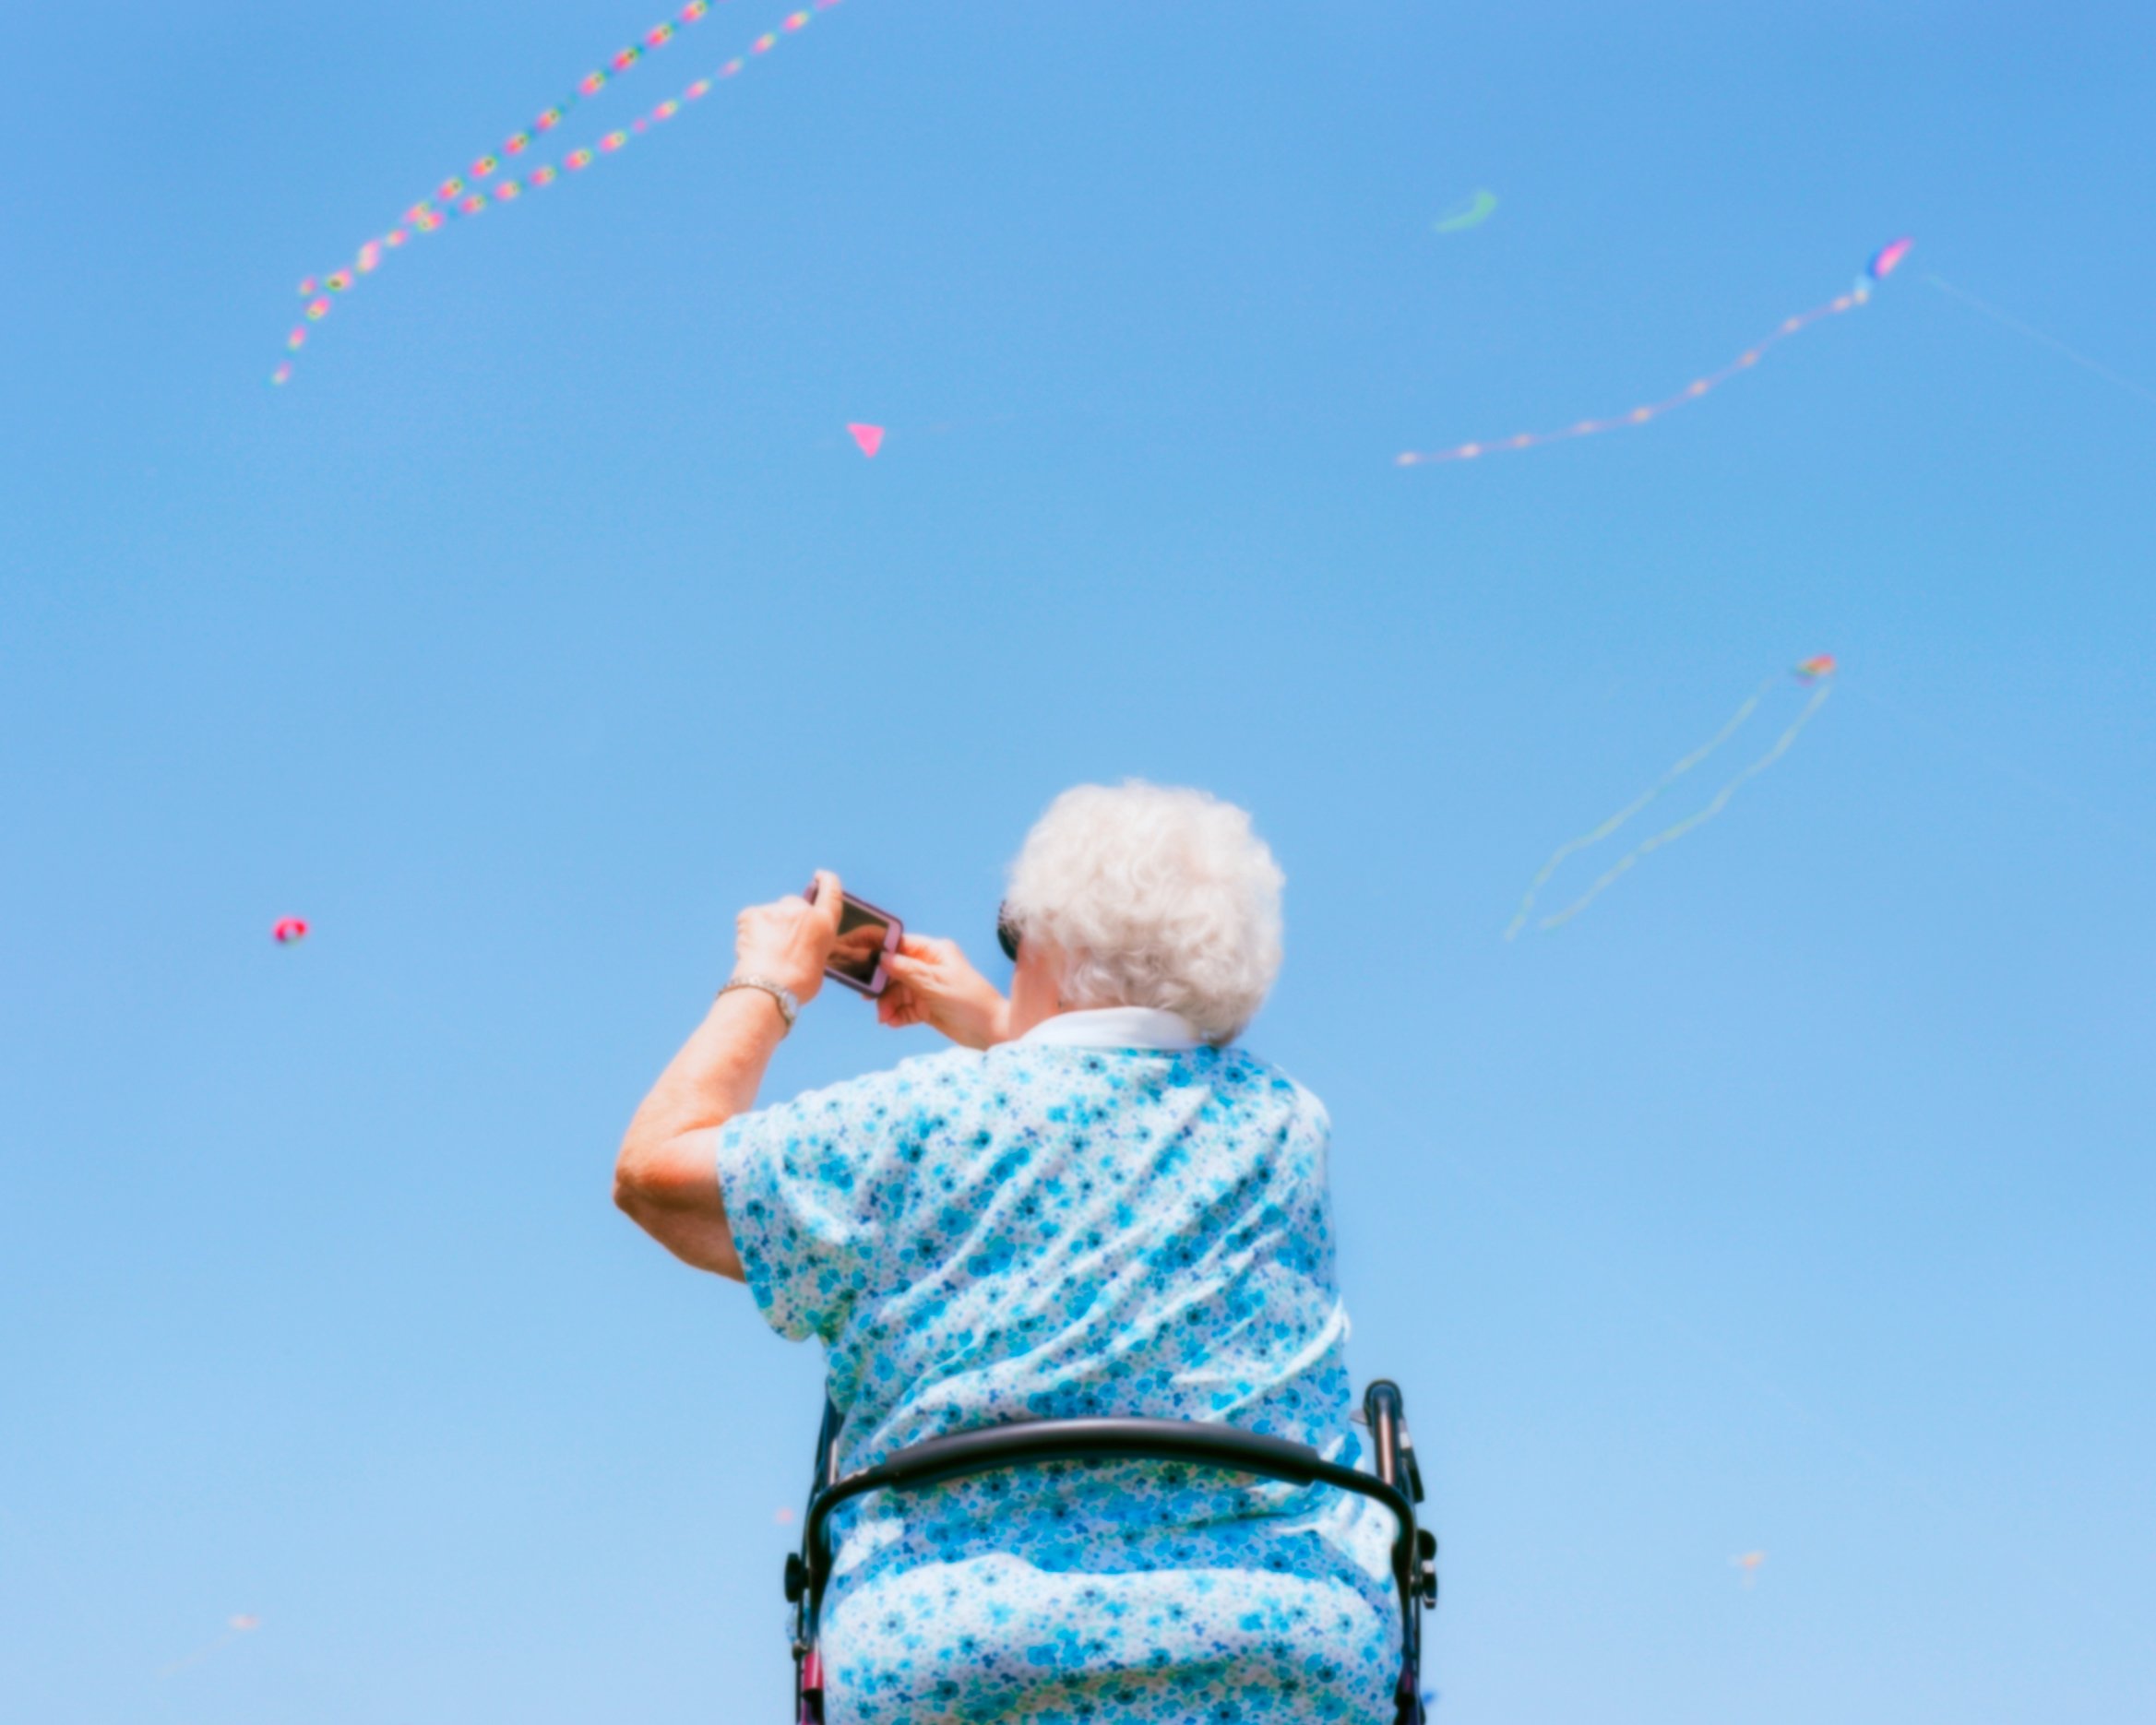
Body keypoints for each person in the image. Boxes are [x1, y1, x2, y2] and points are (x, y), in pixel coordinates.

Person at [614, 781, 1400, 1722]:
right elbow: (1113, 1128)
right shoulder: (1286, 1126)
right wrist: (1002, 1023)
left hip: (967, 1660)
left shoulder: (908, 1125)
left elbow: (655, 1172)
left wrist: (772, 980)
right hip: (1286, 1652)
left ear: (1052, 940)